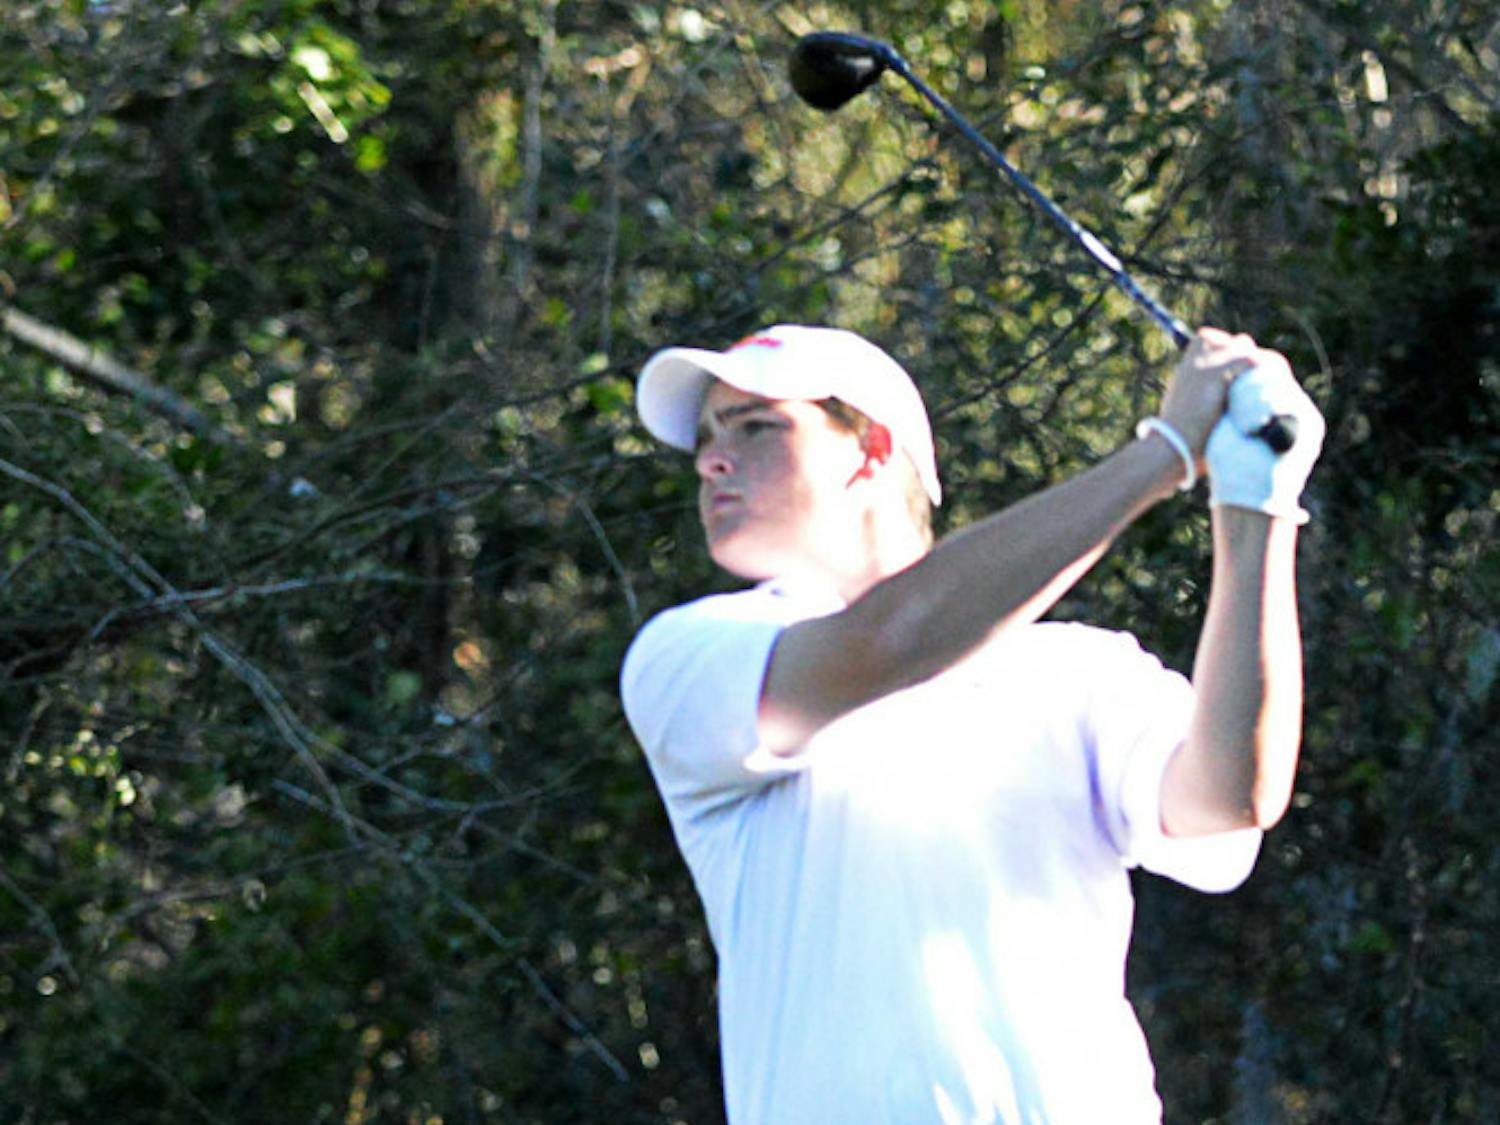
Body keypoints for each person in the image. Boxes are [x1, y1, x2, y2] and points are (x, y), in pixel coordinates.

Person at [619, 323, 1324, 1123]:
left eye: (755, 426)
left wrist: (1256, 500)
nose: (712, 459)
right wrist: (1162, 452)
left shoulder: (1078, 672)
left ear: (872, 451)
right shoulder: (692, 658)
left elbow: (1232, 797)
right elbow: (894, 638)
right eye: (709, 436)